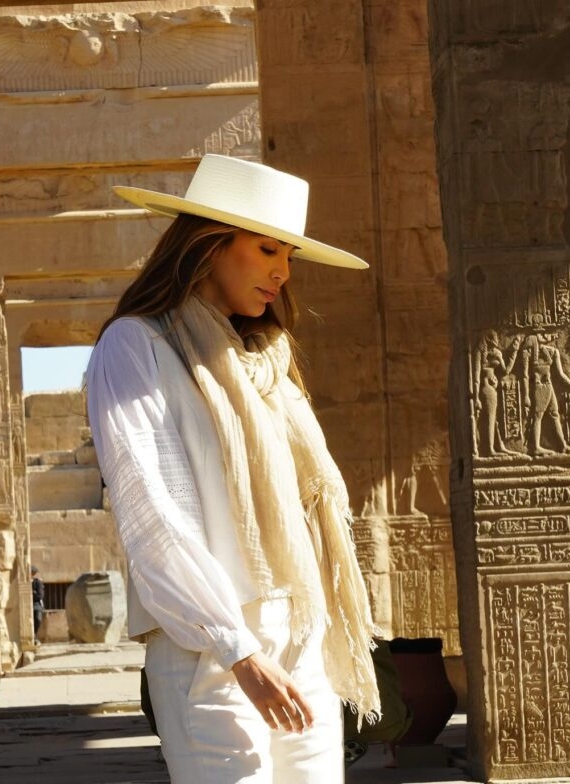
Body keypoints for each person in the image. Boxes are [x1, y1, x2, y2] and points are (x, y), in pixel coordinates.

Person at [85, 154, 381, 784]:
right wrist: (236, 649)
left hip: (301, 628)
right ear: (209, 245)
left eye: (290, 257)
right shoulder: (136, 347)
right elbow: (152, 510)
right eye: (268, 248)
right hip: (211, 646)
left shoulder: (268, 362)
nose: (282, 272)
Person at [31, 566, 45, 642]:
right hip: (28, 604)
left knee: (37, 619)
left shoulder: (37, 582)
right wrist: (33, 593)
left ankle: (34, 634)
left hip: (36, 604)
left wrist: (33, 594)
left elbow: (40, 595)